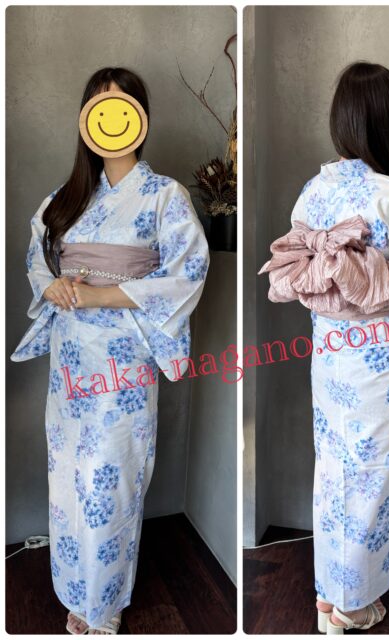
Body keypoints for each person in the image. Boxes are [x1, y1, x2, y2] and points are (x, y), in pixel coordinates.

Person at [259, 61, 389, 633]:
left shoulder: (315, 191)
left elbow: (301, 264)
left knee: (336, 468)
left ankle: (331, 593)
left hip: (330, 348)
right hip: (378, 354)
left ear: (342, 120)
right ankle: (351, 605)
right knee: (375, 470)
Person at [11, 67, 209, 634]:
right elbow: (37, 259)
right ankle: (75, 589)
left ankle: (105, 603)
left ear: (140, 117)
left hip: (125, 357)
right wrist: (53, 285)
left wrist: (99, 293)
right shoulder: (65, 199)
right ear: (86, 120)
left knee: (113, 477)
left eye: (121, 106)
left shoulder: (164, 196)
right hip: (72, 356)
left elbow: (188, 272)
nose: (111, 118)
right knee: (69, 473)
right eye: (99, 107)